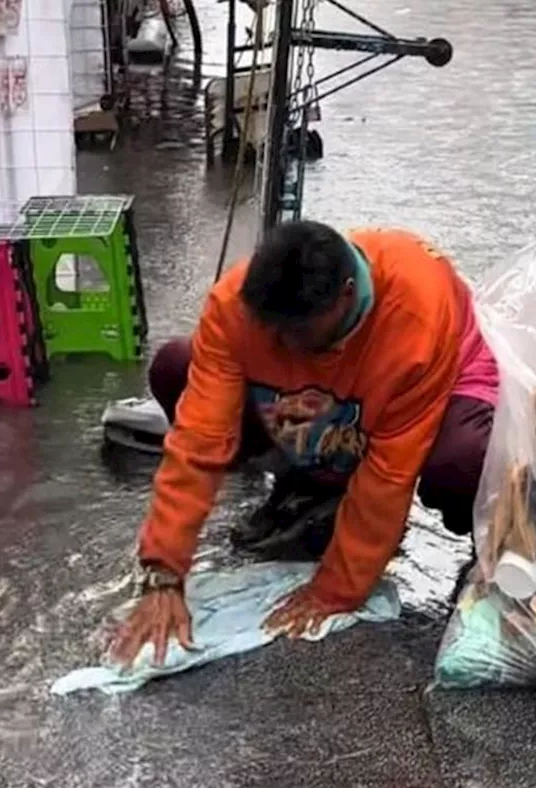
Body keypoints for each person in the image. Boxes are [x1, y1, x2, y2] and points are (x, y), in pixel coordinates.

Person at [109, 221, 499, 666]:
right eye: (273, 335)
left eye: (299, 336)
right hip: (333, 405)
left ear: (348, 295)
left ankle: (494, 540)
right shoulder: (236, 306)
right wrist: (164, 571)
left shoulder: (416, 315)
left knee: (463, 460)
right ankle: (314, 481)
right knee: (176, 366)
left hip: (437, 389)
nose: (283, 350)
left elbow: (390, 473)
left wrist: (335, 589)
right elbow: (199, 440)